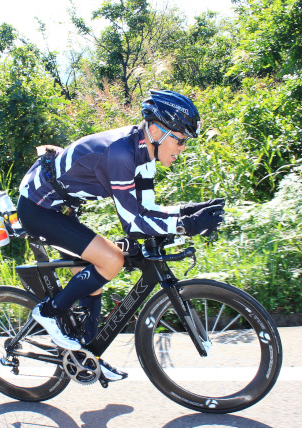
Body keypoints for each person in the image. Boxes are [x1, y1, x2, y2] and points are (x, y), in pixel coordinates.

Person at [16, 90, 225, 381]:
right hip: (38, 208)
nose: (182, 148)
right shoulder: (121, 153)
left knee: (92, 277)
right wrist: (186, 224)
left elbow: (148, 208)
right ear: (156, 130)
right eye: (180, 139)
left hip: (60, 207)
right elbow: (135, 223)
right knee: (111, 260)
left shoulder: (144, 152)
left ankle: (89, 356)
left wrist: (192, 211)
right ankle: (49, 312)